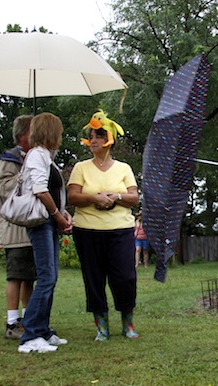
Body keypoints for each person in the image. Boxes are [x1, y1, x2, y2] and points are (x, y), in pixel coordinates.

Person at [68, 111, 140, 341]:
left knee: (125, 277)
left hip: (120, 230)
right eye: (91, 136)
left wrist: (116, 196)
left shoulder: (124, 168)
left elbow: (134, 198)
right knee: (94, 278)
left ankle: (127, 325)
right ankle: (102, 327)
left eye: (99, 135)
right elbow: (73, 197)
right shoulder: (81, 168)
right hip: (87, 231)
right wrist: (94, 198)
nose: (94, 140)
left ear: (109, 140)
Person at [18, 112, 73, 353]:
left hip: (49, 221)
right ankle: (30, 336)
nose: (61, 136)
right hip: (41, 223)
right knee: (46, 277)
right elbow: (40, 190)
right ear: (51, 132)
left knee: (50, 278)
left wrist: (63, 213)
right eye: (59, 131)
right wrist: (58, 217)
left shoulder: (47, 158)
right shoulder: (36, 156)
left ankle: (43, 330)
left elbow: (52, 190)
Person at [0, 115, 36, 340]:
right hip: (14, 229)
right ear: (22, 135)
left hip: (30, 227)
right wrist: (26, 170)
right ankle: (11, 322)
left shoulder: (34, 157)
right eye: (33, 131)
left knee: (28, 276)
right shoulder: (10, 159)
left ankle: (27, 320)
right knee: (15, 276)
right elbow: (4, 188)